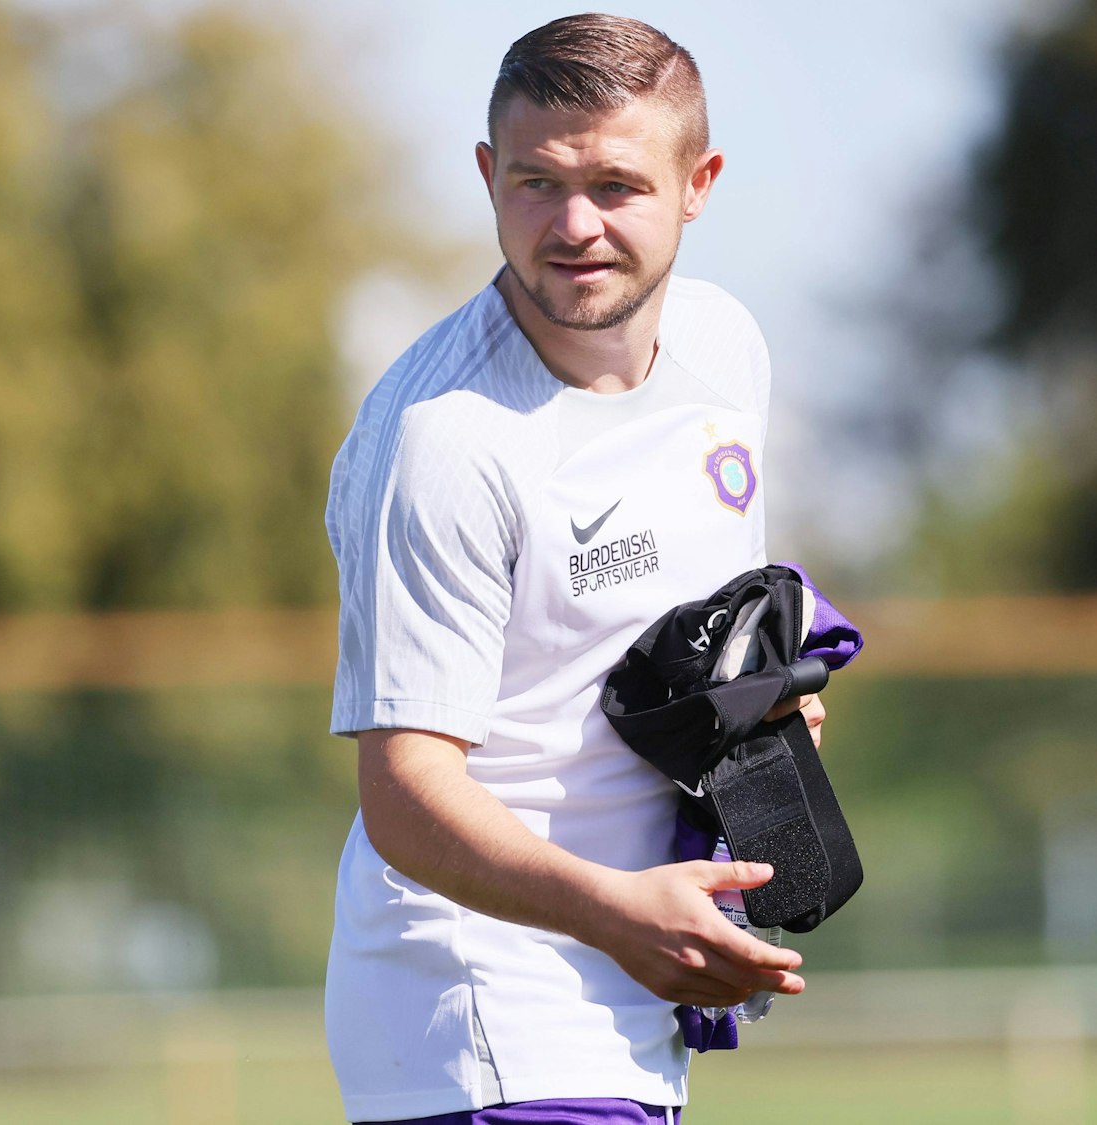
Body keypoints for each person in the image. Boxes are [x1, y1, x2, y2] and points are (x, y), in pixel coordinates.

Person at [323, 13, 825, 1125]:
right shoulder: (444, 440)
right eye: (535, 183)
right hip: (480, 1014)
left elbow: (677, 655)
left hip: (632, 1014)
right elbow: (404, 794)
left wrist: (760, 725)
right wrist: (616, 914)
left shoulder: (725, 348)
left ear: (699, 183)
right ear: (484, 175)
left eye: (616, 184)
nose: (573, 224)